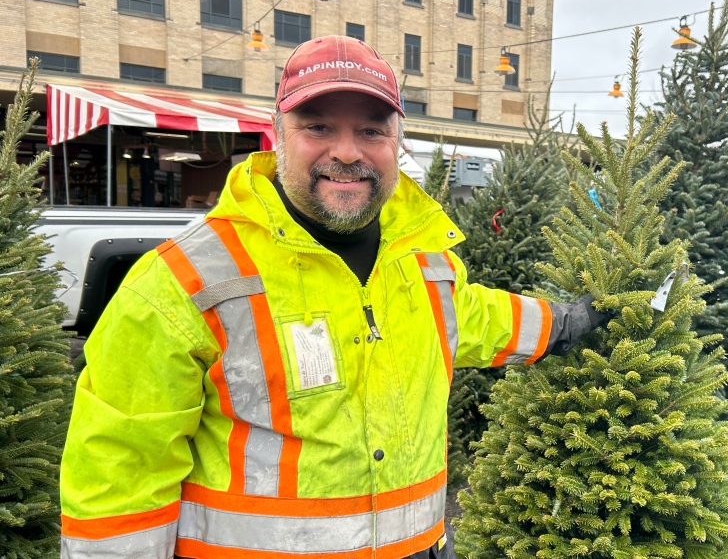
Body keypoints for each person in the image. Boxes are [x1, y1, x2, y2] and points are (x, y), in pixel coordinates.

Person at [59, 35, 606, 559]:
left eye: (371, 130)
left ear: (398, 140)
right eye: (318, 126)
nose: (347, 152)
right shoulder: (181, 282)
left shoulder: (425, 261)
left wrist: (567, 322)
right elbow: (119, 476)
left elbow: (477, 317)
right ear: (278, 135)